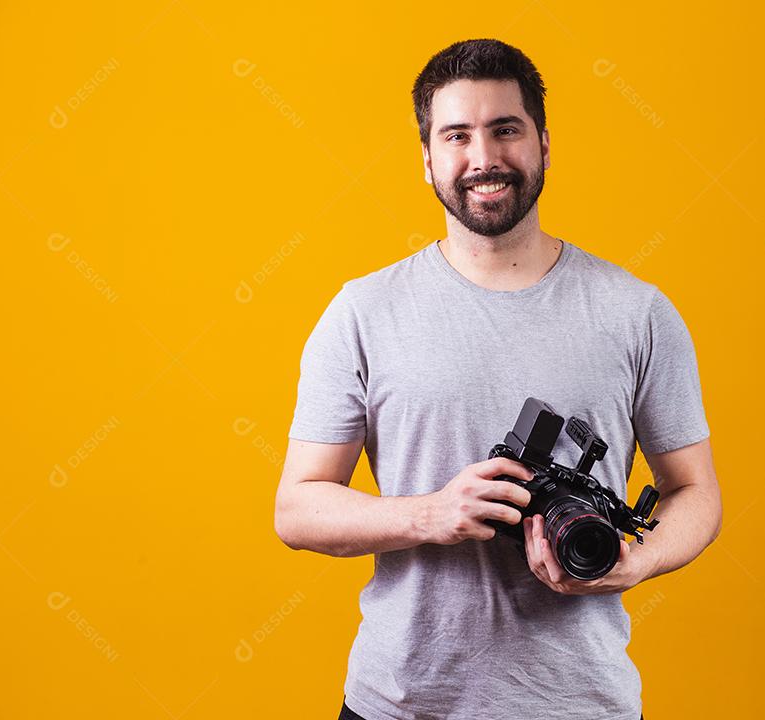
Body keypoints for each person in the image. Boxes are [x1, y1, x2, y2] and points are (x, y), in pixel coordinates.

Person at [274, 38, 723, 720]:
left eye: (505, 129)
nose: (484, 157)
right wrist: (432, 514)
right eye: (457, 135)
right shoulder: (362, 312)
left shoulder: (637, 312)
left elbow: (697, 492)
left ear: (543, 143)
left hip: (581, 704)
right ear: (428, 159)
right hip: (401, 704)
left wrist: (639, 559)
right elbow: (297, 508)